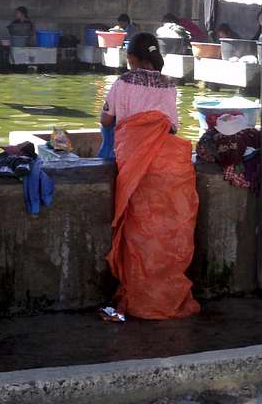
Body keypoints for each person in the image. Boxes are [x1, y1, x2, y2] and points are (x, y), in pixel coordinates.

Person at [101, 33, 199, 319]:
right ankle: (163, 295)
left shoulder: (123, 82)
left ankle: (141, 296)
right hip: (167, 166)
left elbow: (106, 119)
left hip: (134, 164)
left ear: (131, 58)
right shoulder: (169, 85)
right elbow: (171, 127)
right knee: (166, 232)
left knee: (138, 231)